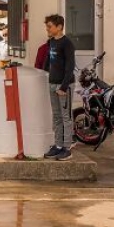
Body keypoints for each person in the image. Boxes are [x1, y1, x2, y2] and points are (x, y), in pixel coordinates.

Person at [42, 14, 76, 161]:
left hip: (64, 86)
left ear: (59, 27)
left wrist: (63, 86)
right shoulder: (51, 42)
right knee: (56, 116)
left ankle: (67, 148)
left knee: (65, 117)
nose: (47, 29)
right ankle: (57, 145)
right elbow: (48, 61)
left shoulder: (67, 43)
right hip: (52, 83)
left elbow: (70, 67)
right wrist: (43, 74)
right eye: (47, 26)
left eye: (50, 26)